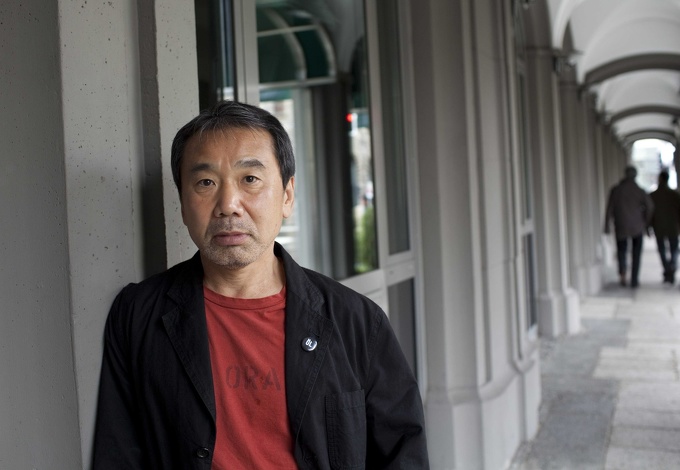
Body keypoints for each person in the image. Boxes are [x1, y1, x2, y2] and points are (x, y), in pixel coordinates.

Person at [92, 101, 429, 469]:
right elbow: (118, 455)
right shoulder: (138, 315)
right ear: (183, 205)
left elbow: (403, 455)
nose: (228, 205)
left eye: (250, 179)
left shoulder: (357, 322)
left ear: (287, 195)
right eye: (205, 183)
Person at [603, 165, 654, 288]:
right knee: (636, 254)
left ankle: (623, 273)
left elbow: (609, 208)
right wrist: (646, 222)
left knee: (621, 251)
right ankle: (634, 279)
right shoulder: (639, 190)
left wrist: (606, 226)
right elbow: (650, 207)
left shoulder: (616, 190)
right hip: (637, 226)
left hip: (621, 225)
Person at [649, 170, 680, 284]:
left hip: (659, 227)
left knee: (662, 250)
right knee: (674, 249)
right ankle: (672, 267)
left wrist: (648, 227)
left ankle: (667, 269)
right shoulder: (675, 194)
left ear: (660, 179)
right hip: (673, 227)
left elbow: (649, 214)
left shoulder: (653, 195)